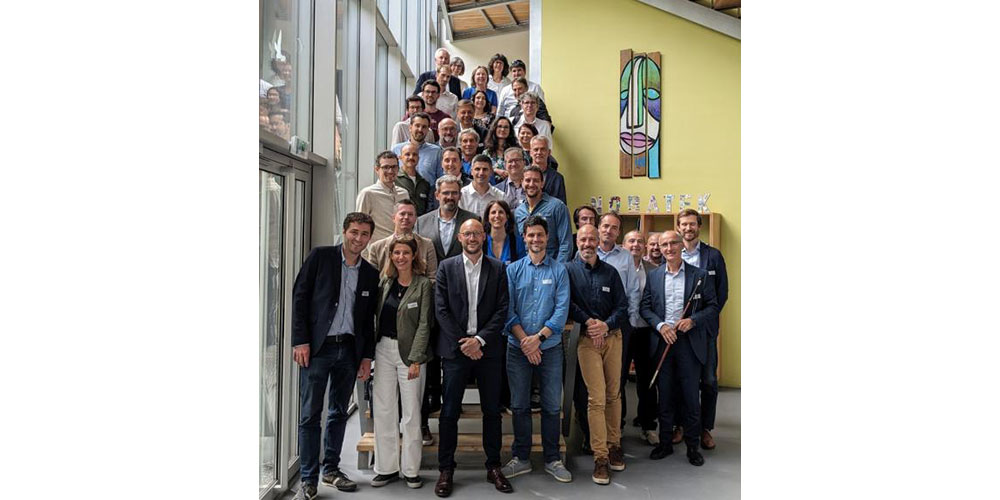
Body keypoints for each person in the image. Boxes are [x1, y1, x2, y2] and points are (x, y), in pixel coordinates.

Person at [291, 213, 380, 500]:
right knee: (310, 414)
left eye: (364, 234)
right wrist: (300, 341)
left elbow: (368, 321)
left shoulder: (370, 273)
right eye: (354, 232)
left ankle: (331, 469)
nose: (358, 238)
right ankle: (308, 479)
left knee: (339, 412)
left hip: (349, 350)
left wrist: (366, 357)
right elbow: (300, 298)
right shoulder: (320, 257)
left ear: (370, 238)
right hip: (318, 348)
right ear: (344, 232)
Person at [433, 219, 512, 497]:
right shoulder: (446, 267)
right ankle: (446, 468)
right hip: (456, 351)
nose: (472, 238)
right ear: (460, 237)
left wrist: (479, 340)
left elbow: (502, 309)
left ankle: (493, 466)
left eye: (477, 233)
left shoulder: (498, 268)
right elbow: (441, 310)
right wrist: (465, 342)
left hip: (488, 350)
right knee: (449, 412)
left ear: (484, 236)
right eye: (467, 233)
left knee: (492, 411)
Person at [500, 215, 572, 483]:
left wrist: (538, 340)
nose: (536, 239)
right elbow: (507, 310)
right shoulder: (513, 270)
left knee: (552, 405)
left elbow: (561, 311)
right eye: (531, 235)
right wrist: (525, 342)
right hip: (517, 349)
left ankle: (553, 459)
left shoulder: (559, 271)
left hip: (549, 348)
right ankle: (521, 458)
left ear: (547, 237)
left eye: (540, 234)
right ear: (524, 237)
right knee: (519, 405)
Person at [639, 230, 719, 467]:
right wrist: (661, 325)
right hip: (663, 341)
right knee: (665, 395)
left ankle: (693, 446)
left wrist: (693, 320)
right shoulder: (654, 275)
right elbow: (645, 308)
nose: (669, 248)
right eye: (664, 244)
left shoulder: (699, 275)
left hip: (689, 343)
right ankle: (665, 443)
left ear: (681, 246)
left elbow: (713, 306)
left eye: (673, 243)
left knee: (690, 396)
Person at [415, 175, 481, 444]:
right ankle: (426, 416)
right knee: (430, 359)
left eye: (454, 193)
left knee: (455, 359)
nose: (450, 197)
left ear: (459, 195)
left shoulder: (471, 220)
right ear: (437, 194)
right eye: (446, 193)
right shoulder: (422, 222)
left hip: (462, 304)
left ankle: (452, 402)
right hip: (430, 301)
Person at [566, 224, 629, 484]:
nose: (587, 243)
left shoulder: (610, 272)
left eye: (592, 239)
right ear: (577, 242)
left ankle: (614, 446)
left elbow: (623, 306)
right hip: (587, 340)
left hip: (613, 337)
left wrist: (606, 325)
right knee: (596, 398)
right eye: (583, 239)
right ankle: (600, 457)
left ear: (598, 241)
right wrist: (591, 322)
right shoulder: (568, 271)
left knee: (614, 394)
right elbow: (568, 303)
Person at [371, 235, 434, 489]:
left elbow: (425, 324)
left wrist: (416, 358)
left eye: (405, 253)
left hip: (411, 355)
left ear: (414, 256)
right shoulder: (385, 282)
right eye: (396, 253)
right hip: (383, 350)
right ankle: (386, 468)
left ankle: (411, 470)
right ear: (391, 256)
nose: (401, 257)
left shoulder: (423, 285)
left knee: (411, 413)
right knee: (384, 410)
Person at [676, 209, 729, 450]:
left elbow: (722, 293)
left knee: (708, 379)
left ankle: (705, 428)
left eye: (692, 224)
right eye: (684, 224)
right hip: (678, 329)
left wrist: (700, 319)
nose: (688, 228)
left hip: (704, 329)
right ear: (678, 228)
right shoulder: (673, 253)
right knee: (681, 379)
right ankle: (680, 424)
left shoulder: (713, 256)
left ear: (699, 226)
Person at [594, 212, 642, 432]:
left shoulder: (625, 257)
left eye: (614, 228)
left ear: (618, 233)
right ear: (599, 227)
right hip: (591, 326)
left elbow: (633, 290)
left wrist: (630, 323)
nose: (609, 230)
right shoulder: (586, 251)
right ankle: (593, 428)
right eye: (605, 226)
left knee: (617, 379)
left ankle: (616, 427)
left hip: (619, 325)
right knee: (594, 379)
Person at [623, 230, 660, 446]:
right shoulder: (616, 267)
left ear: (645, 246)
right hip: (623, 330)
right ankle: (617, 425)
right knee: (619, 379)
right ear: (623, 245)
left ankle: (648, 426)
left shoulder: (654, 270)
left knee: (647, 380)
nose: (636, 244)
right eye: (631, 241)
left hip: (646, 331)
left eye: (640, 241)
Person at [363, 199, 438, 280]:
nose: (406, 217)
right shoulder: (376, 248)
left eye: (410, 214)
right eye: (402, 214)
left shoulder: (427, 245)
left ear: (415, 219)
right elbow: (371, 279)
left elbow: (432, 277)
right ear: (393, 218)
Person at [513, 166, 572, 262]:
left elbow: (566, 244)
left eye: (536, 180)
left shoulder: (557, 207)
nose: (531, 184)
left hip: (552, 265)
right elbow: (518, 246)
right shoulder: (518, 212)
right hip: (527, 267)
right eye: (528, 180)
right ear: (522, 182)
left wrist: (558, 268)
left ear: (542, 183)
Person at [357, 151, 411, 242]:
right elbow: (360, 225)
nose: (390, 171)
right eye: (385, 167)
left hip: (401, 247)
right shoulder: (368, 194)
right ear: (377, 169)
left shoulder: (404, 193)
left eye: (394, 167)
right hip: (378, 248)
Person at [392, 112, 444, 188]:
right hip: (400, 193)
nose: (420, 129)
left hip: (427, 194)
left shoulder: (436, 152)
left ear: (428, 130)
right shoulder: (396, 149)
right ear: (410, 128)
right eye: (417, 125)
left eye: (424, 127)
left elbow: (441, 179)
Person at [396, 143, 433, 215]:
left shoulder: (424, 183)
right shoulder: (395, 180)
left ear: (418, 158)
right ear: (400, 157)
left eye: (414, 154)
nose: (411, 157)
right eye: (407, 154)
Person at [529, 136, 566, 204]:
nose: (539, 152)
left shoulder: (557, 178)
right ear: (530, 152)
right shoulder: (522, 175)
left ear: (549, 152)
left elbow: (561, 205)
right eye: (536, 149)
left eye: (543, 149)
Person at [483, 117, 517, 184]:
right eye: (499, 126)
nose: (502, 129)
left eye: (506, 127)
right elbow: (482, 169)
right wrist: (495, 170)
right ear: (494, 129)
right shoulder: (486, 153)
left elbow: (525, 169)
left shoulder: (517, 151)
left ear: (510, 130)